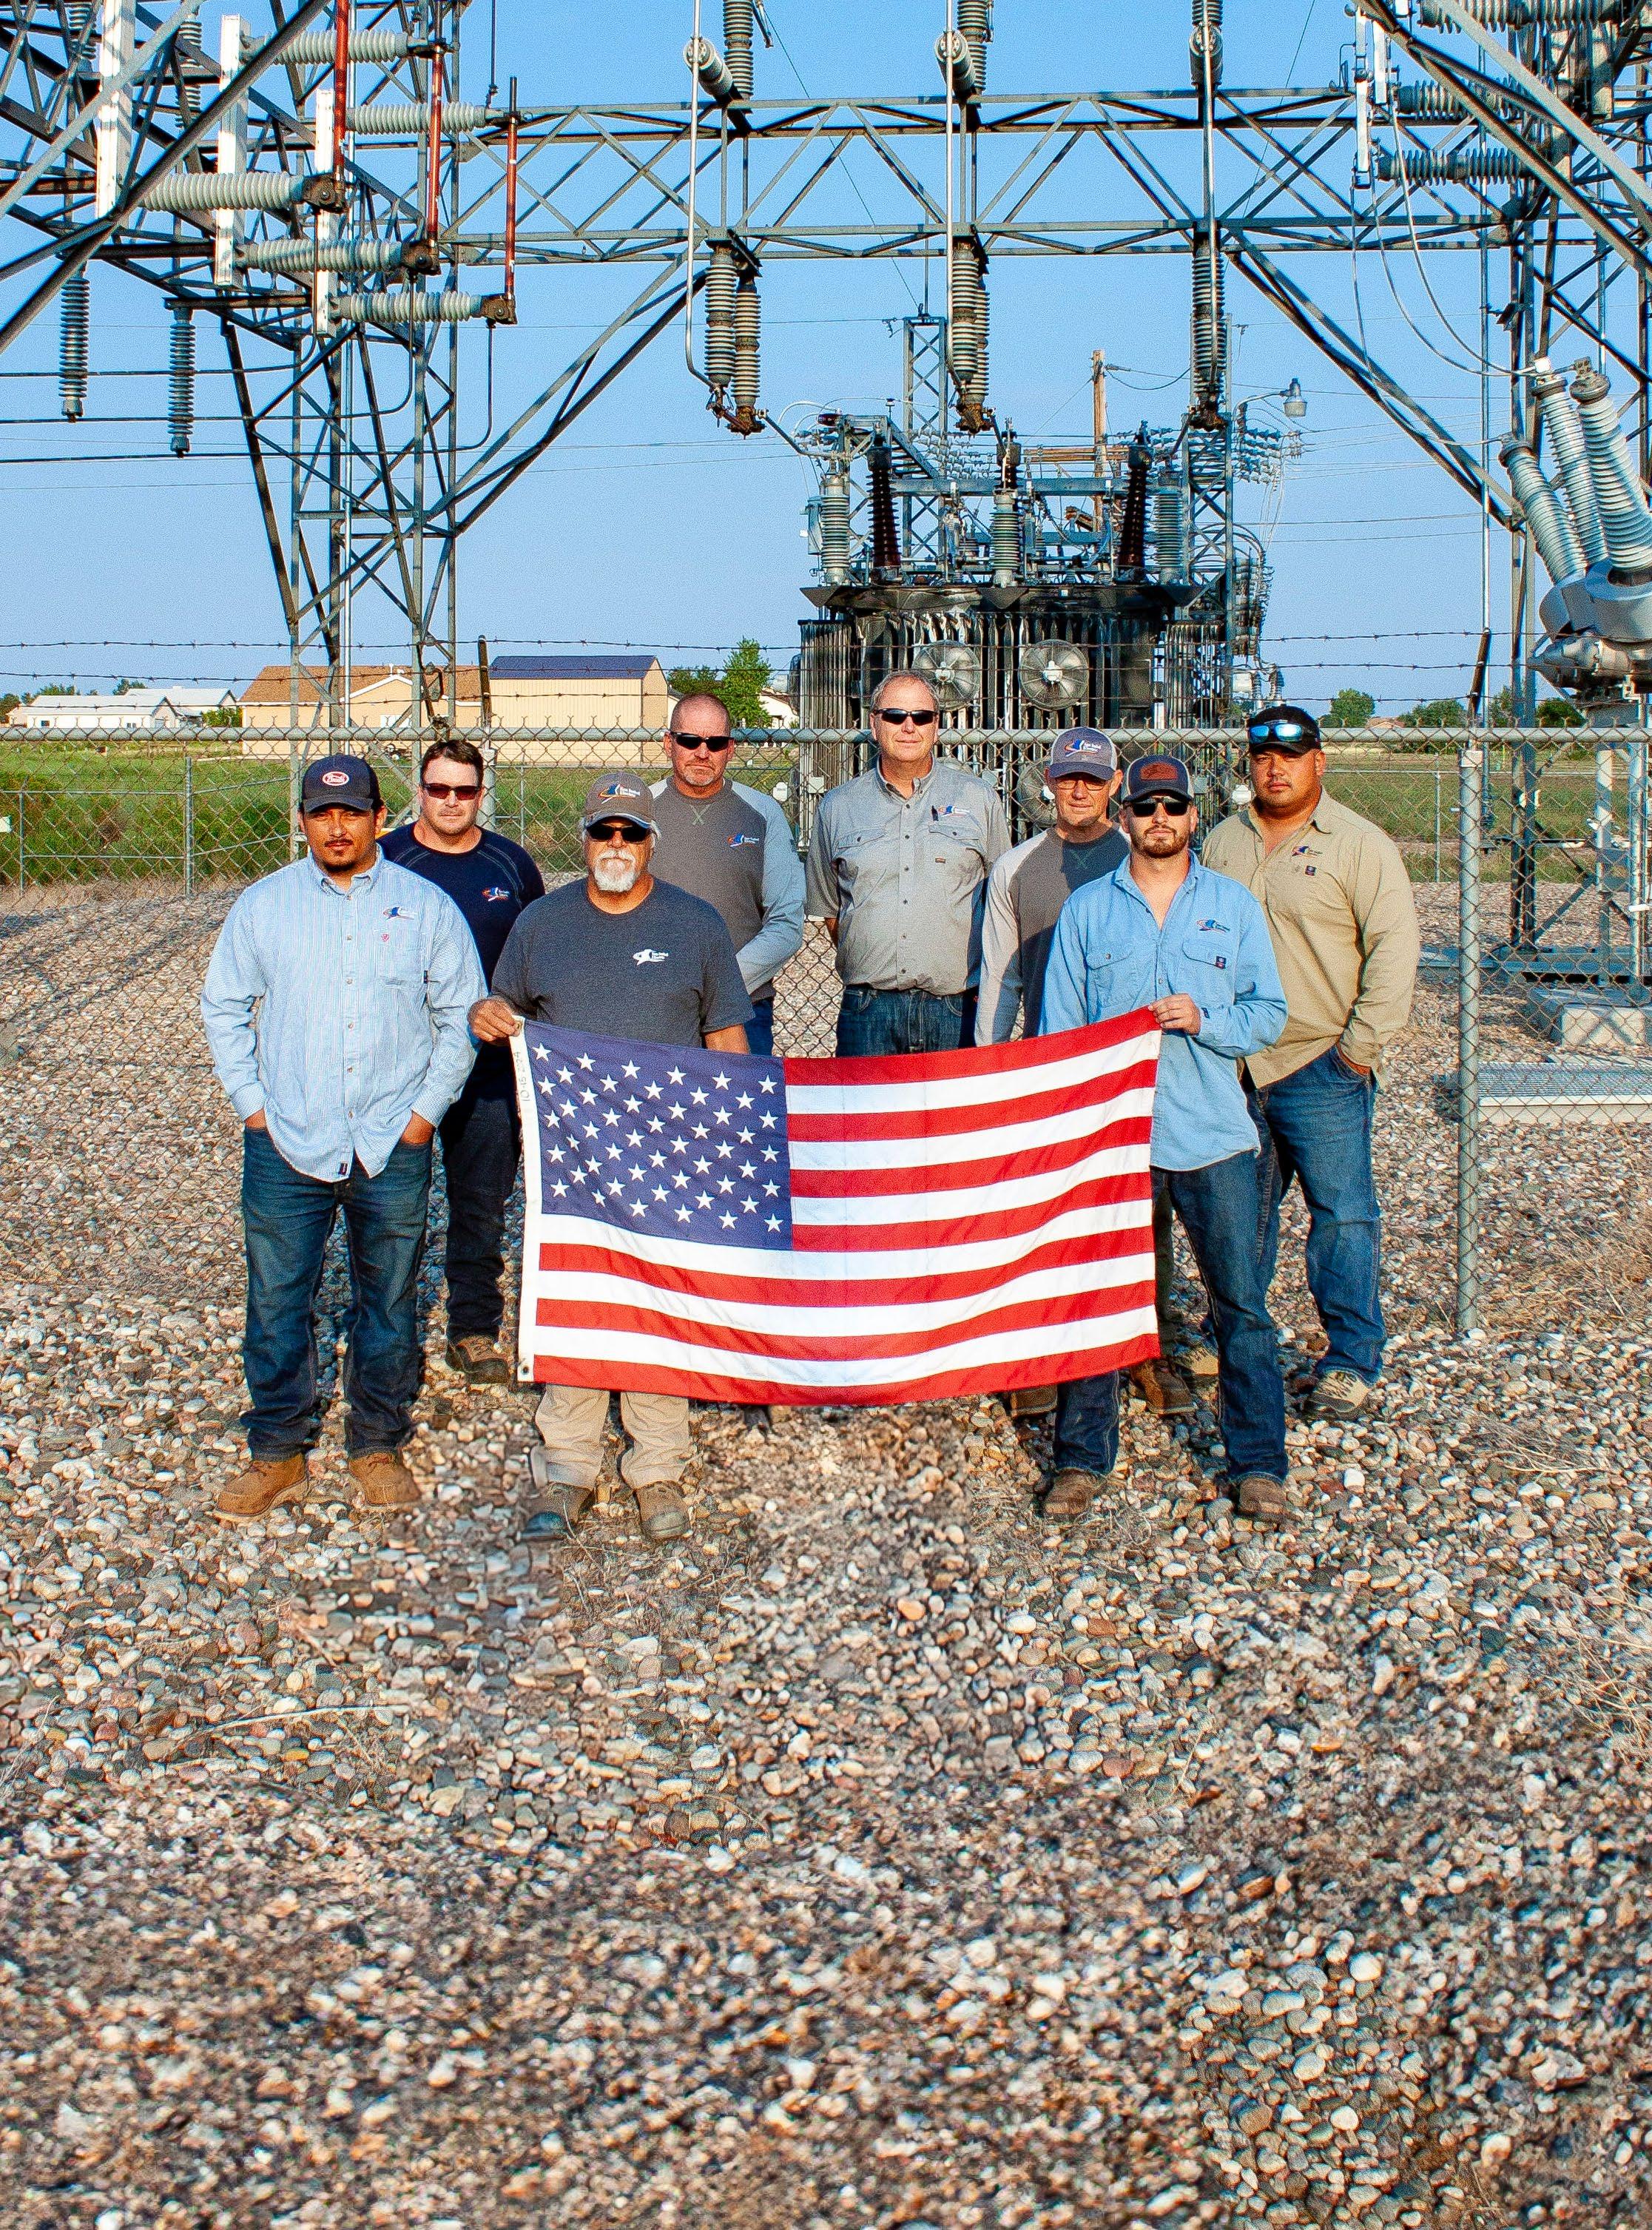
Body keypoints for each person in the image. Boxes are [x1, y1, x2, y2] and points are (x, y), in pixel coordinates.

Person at [469, 771, 752, 1546]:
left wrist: (728, 1132)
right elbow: (506, 1009)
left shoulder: (694, 924)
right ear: (584, 839)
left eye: (631, 832)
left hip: (667, 1152)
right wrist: (487, 1013)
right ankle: (567, 1465)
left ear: (651, 841)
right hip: (573, 1155)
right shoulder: (541, 923)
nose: (616, 845)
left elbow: (727, 1036)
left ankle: (657, 1465)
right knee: (577, 1294)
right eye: (604, 832)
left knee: (657, 1298)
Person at [201, 753, 486, 1520]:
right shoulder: (264, 906)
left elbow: (460, 1014)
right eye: (322, 813)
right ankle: (277, 1449)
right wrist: (253, 1106)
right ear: (302, 819)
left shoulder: (425, 908)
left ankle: (376, 1443)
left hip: (391, 1138)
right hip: (287, 1138)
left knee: (388, 1299)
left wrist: (423, 1116)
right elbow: (223, 1005)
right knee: (276, 1299)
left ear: (379, 818)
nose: (337, 827)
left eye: (352, 812)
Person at [1041, 753, 1292, 1523]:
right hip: (1117, 1138)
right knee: (1097, 1300)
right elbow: (1060, 1028)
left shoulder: (1231, 905)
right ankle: (1081, 1459)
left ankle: (1258, 1464)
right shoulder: (1088, 910)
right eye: (1145, 805)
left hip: (1211, 1133)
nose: (1159, 818)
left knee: (1239, 1302)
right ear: (1123, 817)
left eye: (1172, 806)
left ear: (1192, 816)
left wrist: (1205, 1020)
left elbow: (1268, 1011)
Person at [1201, 701, 1420, 1422]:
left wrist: (1357, 1051)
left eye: (1290, 757)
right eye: (1262, 756)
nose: (1275, 769)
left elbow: (1394, 948)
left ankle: (1351, 1358)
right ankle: (1233, 1338)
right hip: (1237, 1066)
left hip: (1319, 1063)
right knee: (1239, 1218)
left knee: (1342, 1217)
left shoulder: (1357, 844)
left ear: (1317, 762)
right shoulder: (1224, 840)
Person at [976, 727, 1194, 1422]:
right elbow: (1001, 977)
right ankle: (1043, 1353)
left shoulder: (1143, 855)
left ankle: (1146, 1349)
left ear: (1115, 789)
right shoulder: (1017, 868)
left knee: (1143, 1211)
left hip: (1135, 1070)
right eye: (1068, 777)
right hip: (1052, 1066)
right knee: (1049, 1210)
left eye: (1094, 780)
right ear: (1048, 781)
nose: (1079, 790)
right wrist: (993, 1066)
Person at [380, 738, 545, 1384]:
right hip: (400, 1067)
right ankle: (387, 1332)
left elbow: (537, 957)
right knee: (392, 1204)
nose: (451, 801)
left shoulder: (510, 865)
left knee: (481, 1204)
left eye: (465, 790)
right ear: (420, 790)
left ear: (481, 794)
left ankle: (472, 1329)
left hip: (487, 1071)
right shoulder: (388, 858)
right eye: (438, 789)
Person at [806, 669, 1010, 1056]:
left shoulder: (979, 800)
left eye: (921, 716)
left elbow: (1001, 899)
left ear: (937, 726)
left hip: (957, 1008)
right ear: (874, 723)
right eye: (895, 716)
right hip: (868, 1012)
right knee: (866, 1100)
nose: (909, 727)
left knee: (955, 1100)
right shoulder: (837, 807)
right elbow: (831, 909)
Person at [647, 690, 804, 1059]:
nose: (703, 752)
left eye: (715, 743)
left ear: (730, 749)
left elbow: (786, 921)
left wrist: (724, 984)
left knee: (742, 1098)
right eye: (690, 741)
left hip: (742, 1008)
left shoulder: (763, 813)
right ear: (668, 743)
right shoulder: (640, 813)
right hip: (656, 1007)